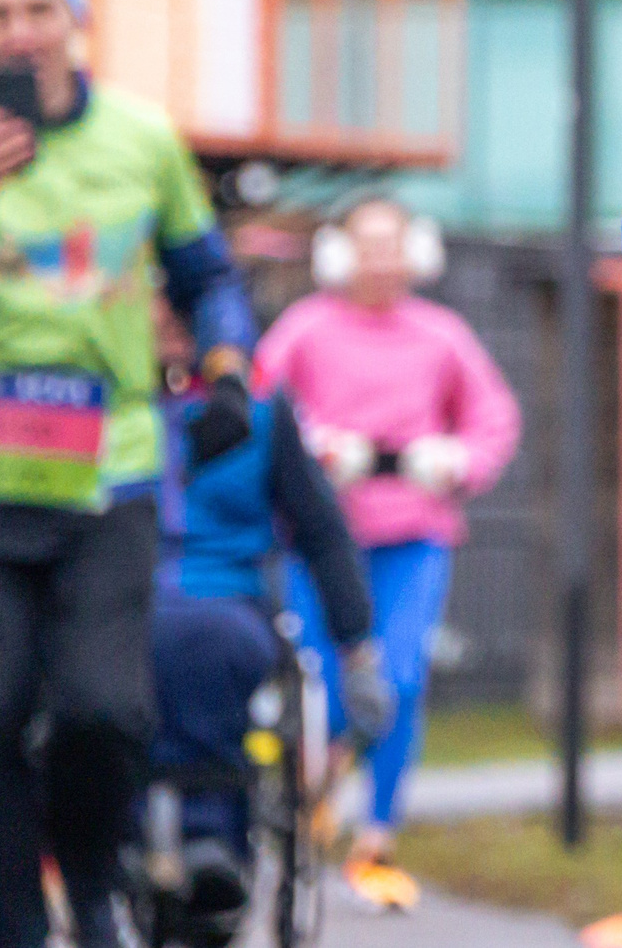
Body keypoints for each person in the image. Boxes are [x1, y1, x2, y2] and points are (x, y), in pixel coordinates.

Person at [0, 0, 260, 948]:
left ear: (79, 22)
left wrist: (227, 366)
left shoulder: (143, 137)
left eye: (41, 10)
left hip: (105, 471)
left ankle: (94, 877)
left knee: (104, 713)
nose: (21, 32)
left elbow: (206, 277)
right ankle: (17, 922)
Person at [256, 195, 519, 911]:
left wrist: (458, 460)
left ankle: (376, 830)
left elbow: (495, 419)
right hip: (319, 540)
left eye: (392, 243)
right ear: (340, 253)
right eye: (366, 243)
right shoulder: (304, 329)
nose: (380, 259)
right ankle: (315, 783)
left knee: (397, 680)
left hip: (414, 535)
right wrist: (308, 448)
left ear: (417, 252)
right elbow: (257, 401)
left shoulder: (444, 336)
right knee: (324, 687)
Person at [152, 304, 391, 943]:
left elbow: (322, 531)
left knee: (212, 643)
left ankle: (211, 840)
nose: (171, 329)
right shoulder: (102, 399)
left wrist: (357, 649)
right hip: (116, 588)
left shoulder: (262, 408)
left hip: (226, 594)